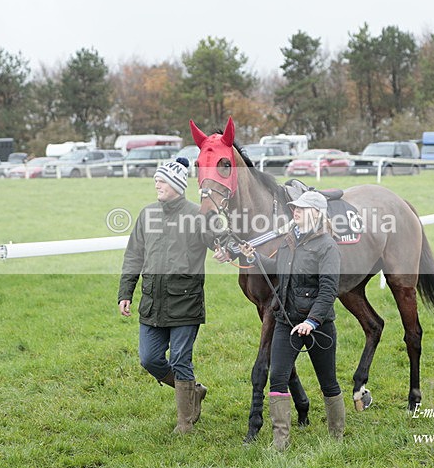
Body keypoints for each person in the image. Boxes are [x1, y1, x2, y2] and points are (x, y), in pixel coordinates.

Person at [237, 190, 345, 450]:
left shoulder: (327, 246)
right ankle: (280, 442)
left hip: (318, 326)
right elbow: (278, 269)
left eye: (302, 208)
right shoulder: (288, 240)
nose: (295, 211)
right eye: (295, 208)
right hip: (286, 321)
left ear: (316, 214)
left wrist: (313, 321)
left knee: (328, 382)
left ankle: (337, 437)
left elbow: (329, 289)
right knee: (278, 378)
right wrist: (254, 257)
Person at [118, 156, 217, 434]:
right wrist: (126, 292)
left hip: (185, 302)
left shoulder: (198, 214)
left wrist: (225, 248)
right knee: (149, 359)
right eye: (156, 181)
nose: (156, 185)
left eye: (161, 181)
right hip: (152, 303)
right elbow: (133, 256)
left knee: (180, 360)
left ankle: (185, 423)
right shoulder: (147, 214)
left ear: (176, 184)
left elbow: (218, 241)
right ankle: (193, 391)